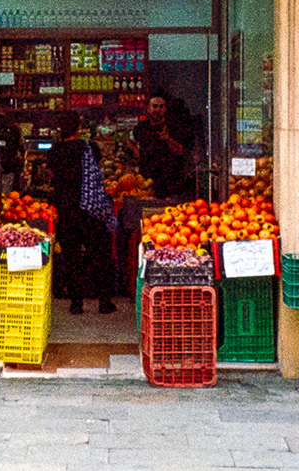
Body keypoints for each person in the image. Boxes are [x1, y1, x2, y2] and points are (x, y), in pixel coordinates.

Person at [46, 112, 117, 314]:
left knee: (72, 258)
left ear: (60, 129)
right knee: (99, 256)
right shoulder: (89, 147)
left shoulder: (55, 151)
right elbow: (99, 167)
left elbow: (52, 174)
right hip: (90, 209)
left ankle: (76, 303)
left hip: (67, 210)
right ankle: (104, 300)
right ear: (78, 128)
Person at [134, 93, 195, 200]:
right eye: (154, 106)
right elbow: (131, 141)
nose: (157, 110)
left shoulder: (175, 127)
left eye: (161, 106)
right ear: (148, 108)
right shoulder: (142, 127)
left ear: (166, 109)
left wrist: (168, 139)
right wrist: (137, 154)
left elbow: (182, 152)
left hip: (169, 181)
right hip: (146, 181)